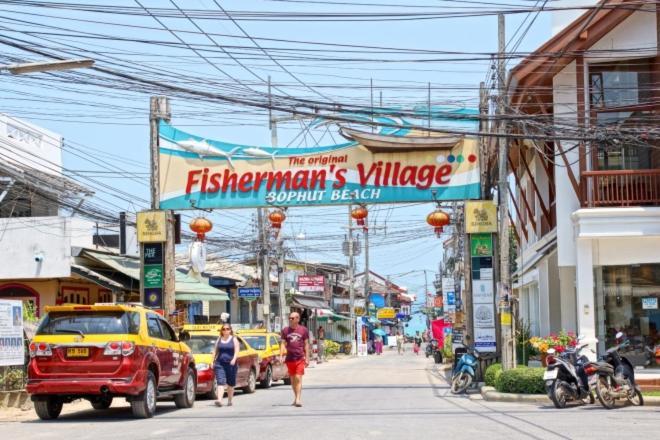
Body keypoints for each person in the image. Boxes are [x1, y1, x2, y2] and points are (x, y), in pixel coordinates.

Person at [280, 312, 310, 407]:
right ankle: (295, 397)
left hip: (300, 358)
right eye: (289, 318)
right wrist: (281, 356)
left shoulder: (303, 330)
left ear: (298, 319)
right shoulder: (285, 330)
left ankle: (298, 399)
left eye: (292, 318)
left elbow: (306, 344)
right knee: (292, 380)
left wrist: (307, 358)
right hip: (289, 359)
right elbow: (283, 344)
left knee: (298, 378)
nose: (290, 320)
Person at [212, 323, 240, 407]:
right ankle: (219, 400)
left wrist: (234, 359)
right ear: (222, 331)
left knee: (230, 384)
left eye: (227, 329)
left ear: (230, 330)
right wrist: (212, 361)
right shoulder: (219, 339)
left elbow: (237, 350)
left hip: (231, 364)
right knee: (220, 382)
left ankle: (230, 400)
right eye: (223, 329)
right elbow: (215, 351)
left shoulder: (234, 339)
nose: (225, 330)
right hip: (220, 363)